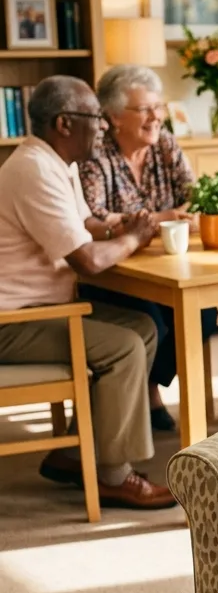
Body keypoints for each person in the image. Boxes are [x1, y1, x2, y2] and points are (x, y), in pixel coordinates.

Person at [0, 76, 173, 508]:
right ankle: (114, 475)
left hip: (43, 308)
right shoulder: (33, 169)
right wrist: (133, 239)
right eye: (95, 117)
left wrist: (124, 225)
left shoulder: (58, 163)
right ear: (64, 123)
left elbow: (86, 226)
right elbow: (88, 261)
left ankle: (76, 454)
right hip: (13, 321)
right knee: (123, 346)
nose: (103, 126)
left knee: (144, 327)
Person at [78, 64, 218, 432]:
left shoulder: (165, 143)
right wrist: (166, 216)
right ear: (114, 116)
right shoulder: (95, 152)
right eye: (144, 109)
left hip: (166, 261)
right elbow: (94, 218)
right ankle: (148, 394)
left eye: (158, 106)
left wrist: (148, 221)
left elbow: (196, 196)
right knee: (152, 320)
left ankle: (149, 383)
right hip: (114, 270)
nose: (156, 117)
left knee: (204, 313)